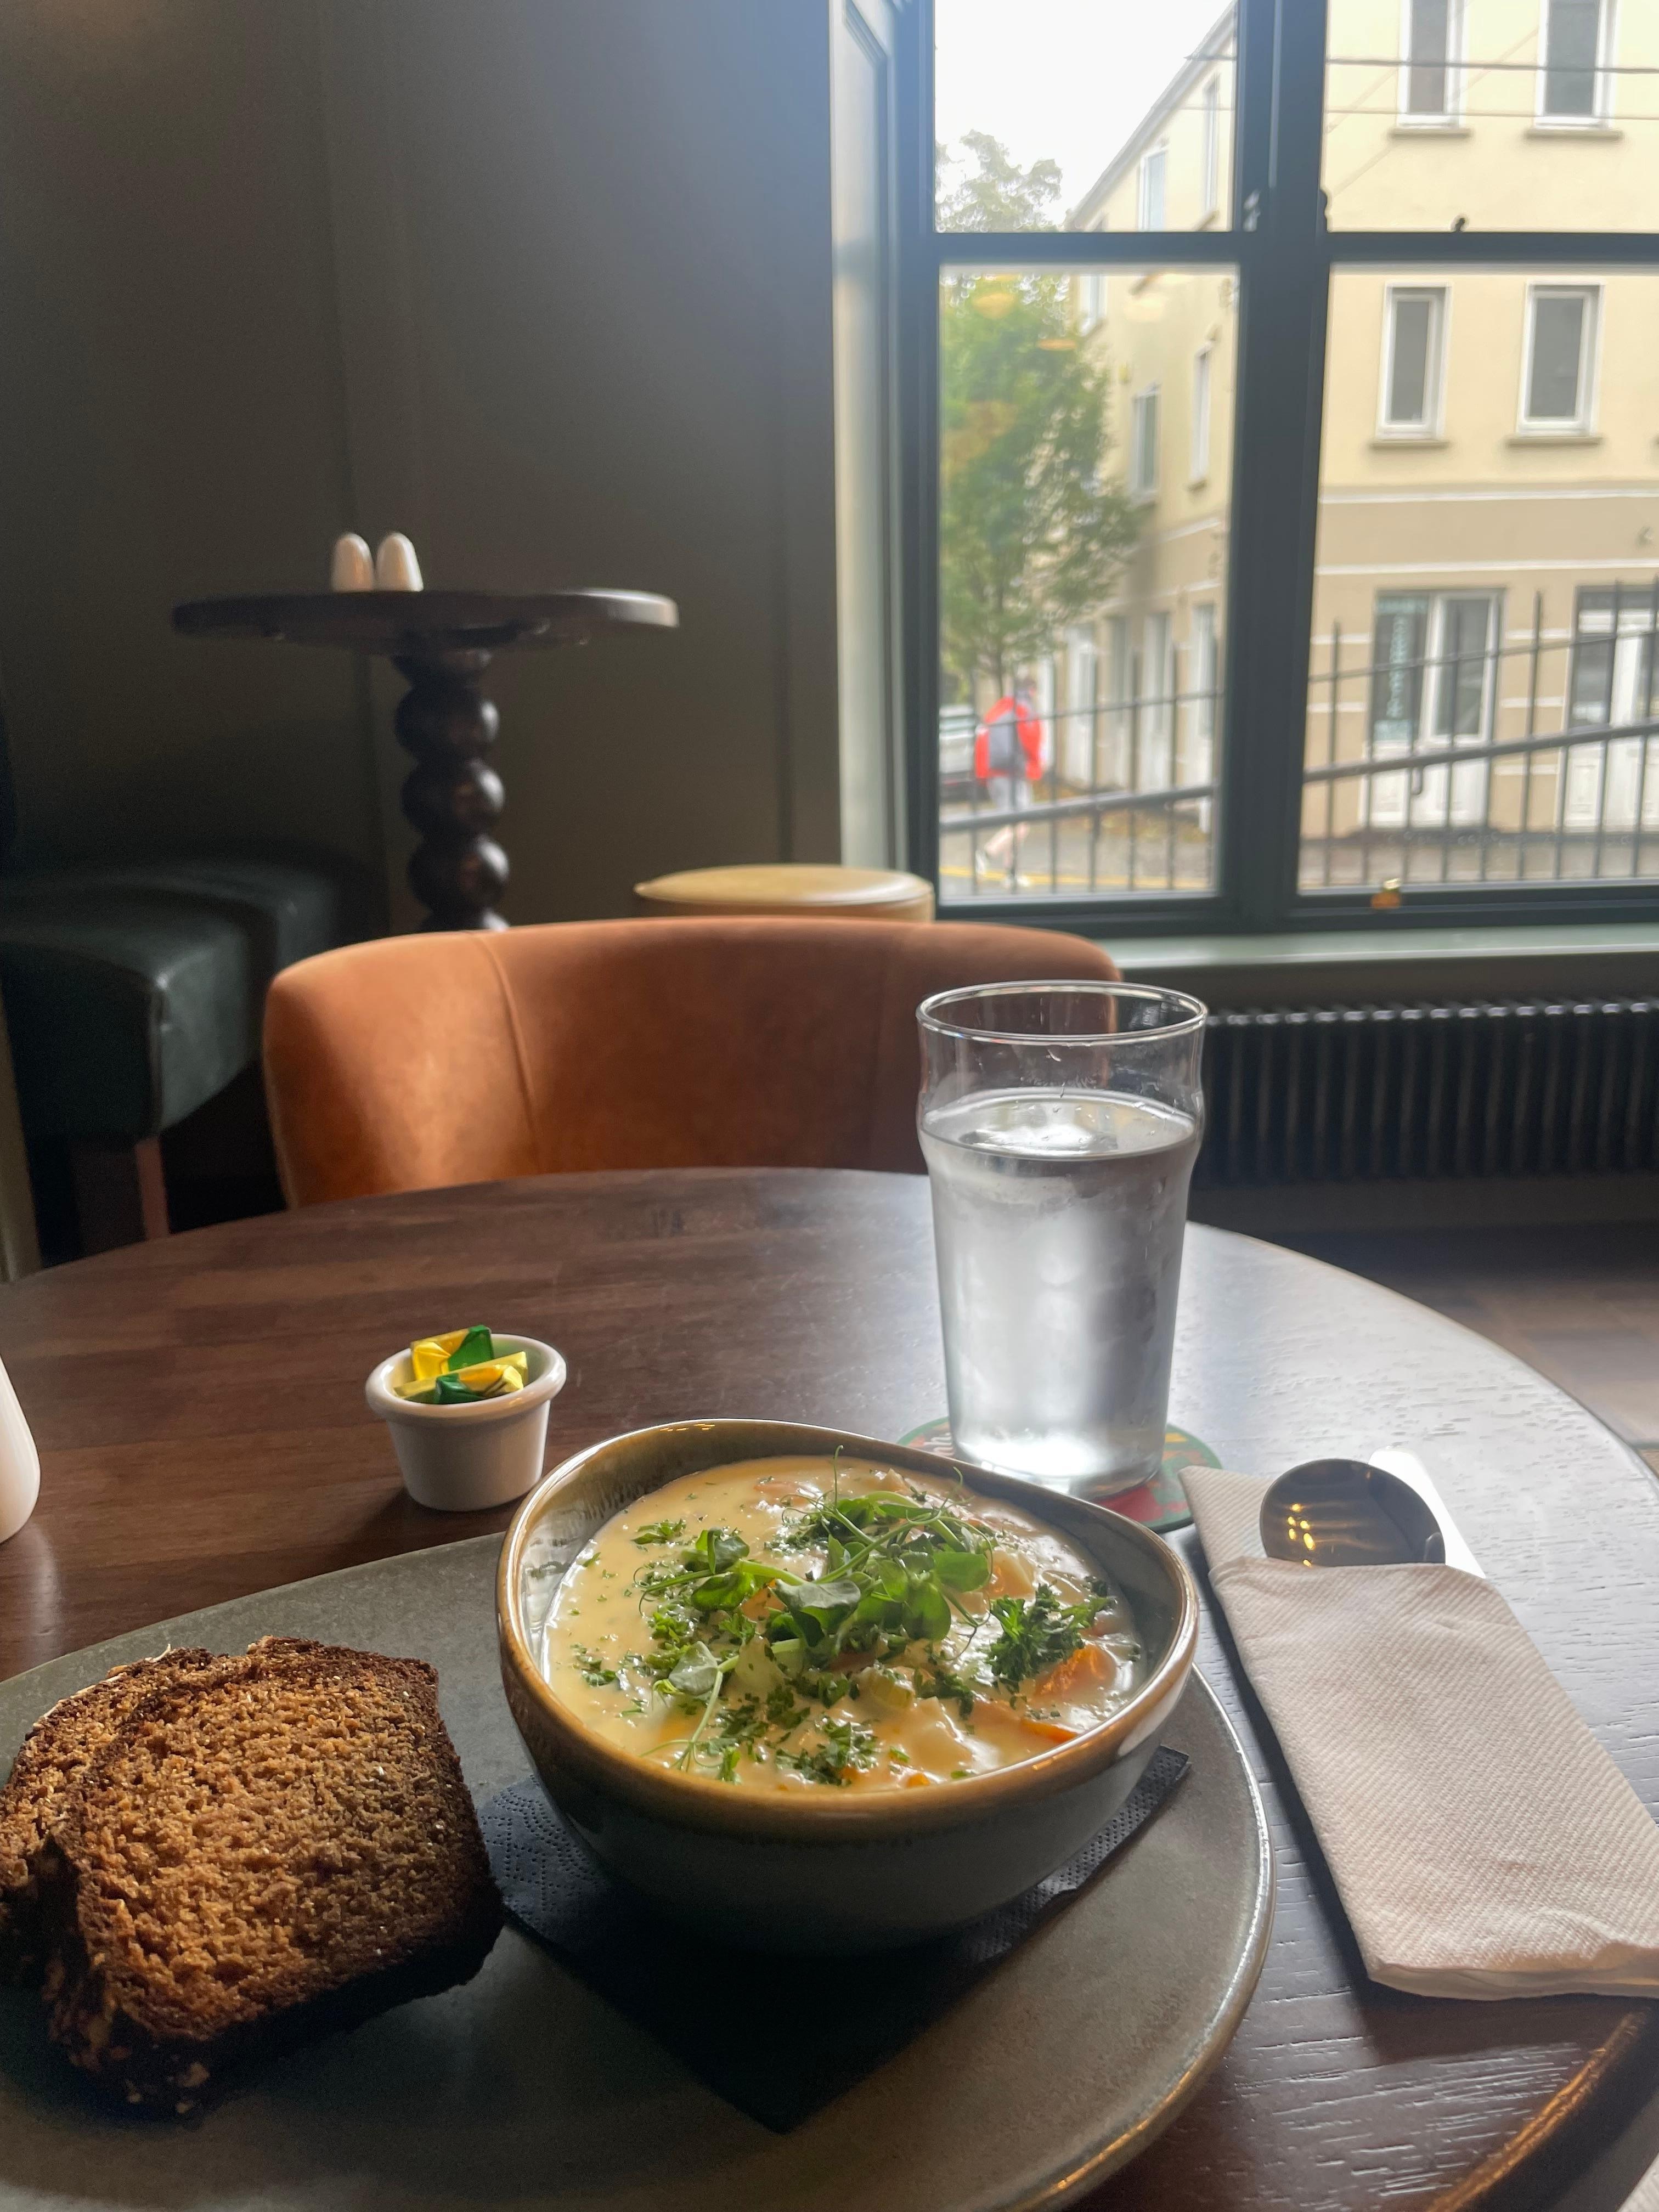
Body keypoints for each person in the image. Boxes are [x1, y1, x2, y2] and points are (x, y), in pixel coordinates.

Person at [973, 686, 1043, 887]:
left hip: (996, 776)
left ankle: (1011, 873)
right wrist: (1035, 764)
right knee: (1021, 824)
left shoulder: (1001, 708)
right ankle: (986, 854)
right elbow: (1031, 739)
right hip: (1012, 774)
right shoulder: (1022, 709)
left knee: (1014, 824)